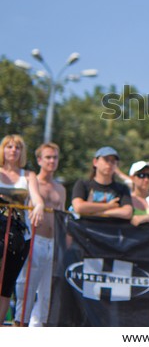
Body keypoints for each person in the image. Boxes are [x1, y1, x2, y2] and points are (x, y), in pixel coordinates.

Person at [14, 142, 66, 327]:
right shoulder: (32, 182)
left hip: (53, 244)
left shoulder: (60, 188)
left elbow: (61, 218)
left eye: (55, 157)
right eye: (48, 157)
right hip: (35, 240)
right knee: (25, 289)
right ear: (39, 160)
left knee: (47, 294)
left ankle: (39, 331)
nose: (52, 161)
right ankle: (19, 326)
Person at [0, 135, 44, 326]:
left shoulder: (28, 175)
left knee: (6, 285)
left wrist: (39, 206)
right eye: (9, 146)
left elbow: (36, 198)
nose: (13, 150)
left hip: (18, 236)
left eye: (17, 147)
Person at [71, 147, 132, 220]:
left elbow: (127, 212)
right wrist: (109, 206)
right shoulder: (82, 184)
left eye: (113, 161)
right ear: (95, 162)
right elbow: (79, 207)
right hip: (85, 229)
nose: (109, 164)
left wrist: (98, 213)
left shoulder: (122, 189)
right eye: (106, 160)